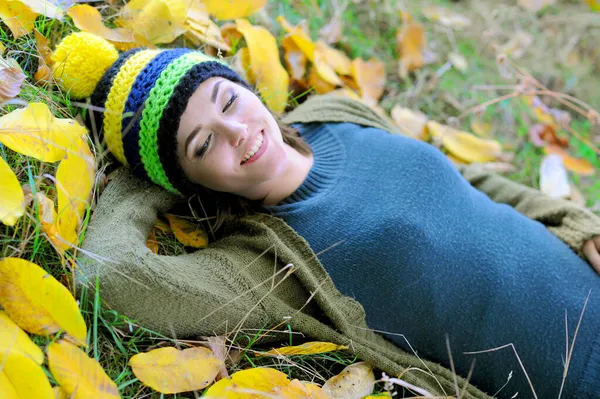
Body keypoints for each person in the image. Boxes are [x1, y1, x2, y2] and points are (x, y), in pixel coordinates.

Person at [53, 32, 600, 398]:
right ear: (187, 182)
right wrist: (139, 179)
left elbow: (472, 180)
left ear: (243, 86)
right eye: (202, 146)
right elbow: (110, 277)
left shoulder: (338, 114)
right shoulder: (269, 260)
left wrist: (578, 225)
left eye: (226, 101)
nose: (237, 131)